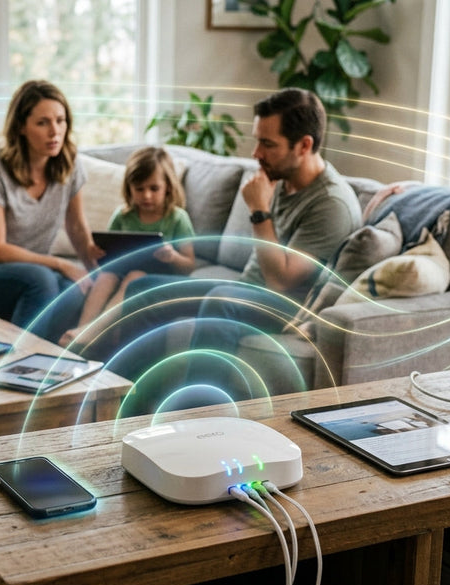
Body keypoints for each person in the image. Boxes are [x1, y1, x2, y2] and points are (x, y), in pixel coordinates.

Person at [116, 88, 362, 404]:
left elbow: (280, 282)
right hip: (246, 289)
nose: (256, 153)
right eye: (257, 140)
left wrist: (259, 212)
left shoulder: (330, 204)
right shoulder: (281, 179)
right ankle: (127, 401)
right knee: (145, 289)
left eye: (267, 144)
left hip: (285, 303)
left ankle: (193, 418)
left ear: (304, 145)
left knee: (221, 300)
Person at [0, 80, 102, 343]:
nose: (55, 131)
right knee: (41, 279)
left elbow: (76, 228)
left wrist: (97, 272)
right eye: (43, 123)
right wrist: (62, 264)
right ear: (21, 128)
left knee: (73, 290)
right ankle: (13, 367)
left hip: (24, 271)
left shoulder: (69, 165)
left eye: (60, 121)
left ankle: (45, 363)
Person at [59, 146, 195, 348]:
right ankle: (82, 331)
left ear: (168, 186)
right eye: (139, 189)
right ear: (129, 188)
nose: (146, 196)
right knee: (106, 277)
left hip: (157, 276)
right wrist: (96, 252)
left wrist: (172, 256)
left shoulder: (177, 218)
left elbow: (189, 265)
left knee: (134, 278)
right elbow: (108, 255)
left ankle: (94, 333)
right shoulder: (123, 216)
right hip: (123, 270)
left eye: (153, 189)